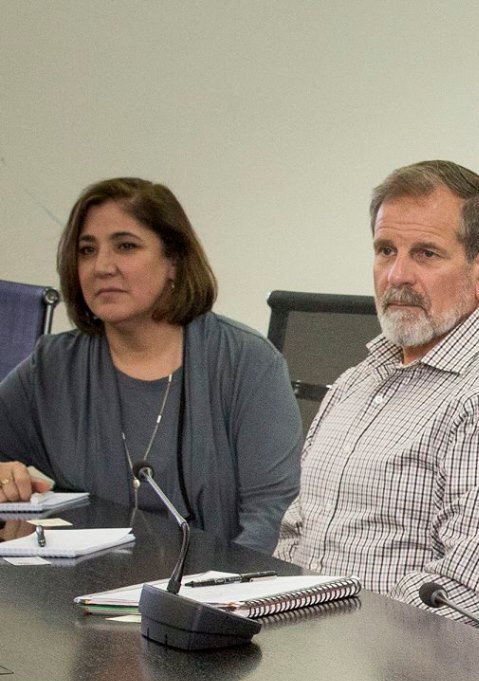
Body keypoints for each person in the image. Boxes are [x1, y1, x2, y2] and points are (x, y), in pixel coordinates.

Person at [273, 160, 479, 613]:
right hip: (296, 632)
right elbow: (294, 537)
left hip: (393, 653)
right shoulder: (359, 379)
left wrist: (317, 636)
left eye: (426, 254)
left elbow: (466, 599)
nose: (396, 275)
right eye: (385, 250)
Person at [0, 178, 299, 548]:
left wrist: (220, 584)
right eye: (87, 250)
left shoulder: (247, 363)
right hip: (80, 582)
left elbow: (274, 518)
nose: (102, 266)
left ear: (173, 260)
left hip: (217, 581)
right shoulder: (53, 367)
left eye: (125, 246)